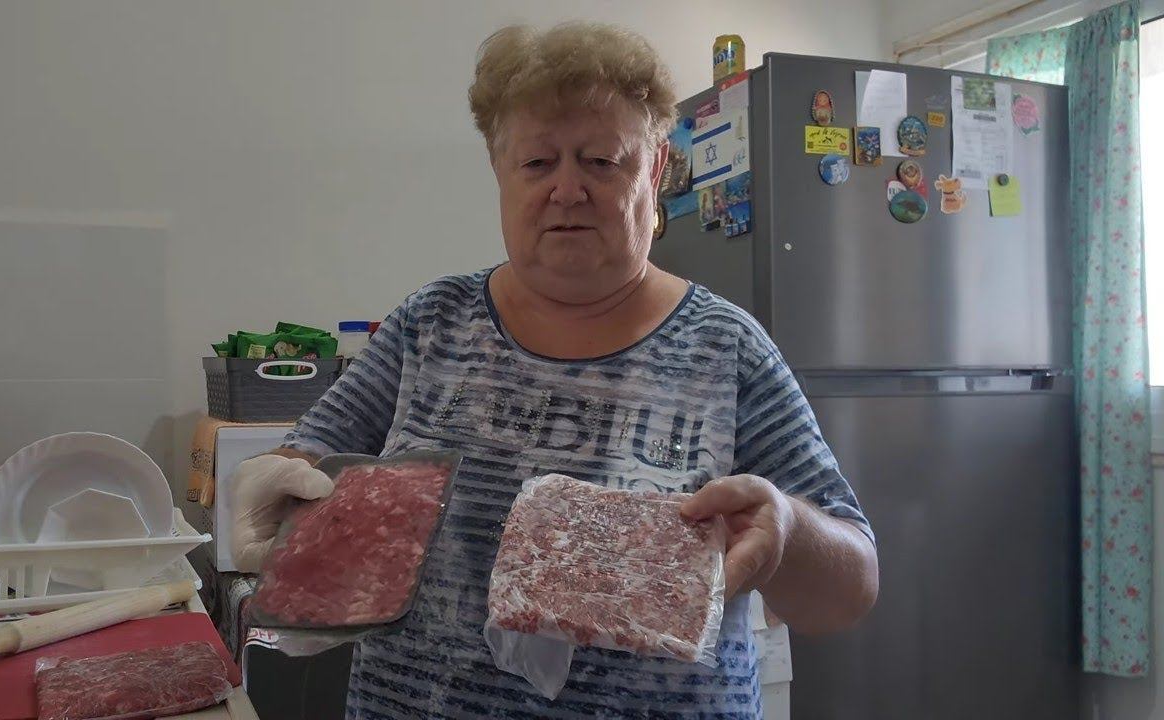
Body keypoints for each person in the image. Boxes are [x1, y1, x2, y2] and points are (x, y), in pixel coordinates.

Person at [229, 22, 878, 719]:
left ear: (656, 168)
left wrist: (789, 530)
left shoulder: (728, 348)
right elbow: (308, 459)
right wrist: (271, 480)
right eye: (538, 163)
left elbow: (851, 590)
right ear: (499, 171)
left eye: (601, 161)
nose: (568, 190)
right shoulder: (430, 324)